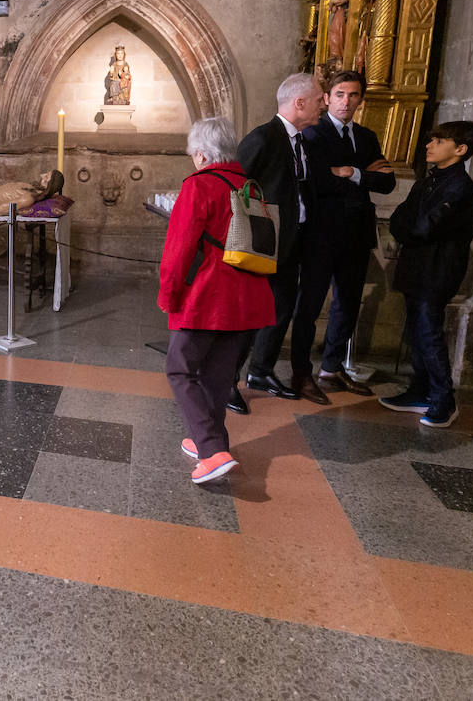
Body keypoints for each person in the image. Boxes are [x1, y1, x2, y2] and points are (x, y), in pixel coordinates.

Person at [158, 117, 274, 484]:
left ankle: (210, 452)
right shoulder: (249, 186)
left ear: (203, 153)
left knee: (180, 368)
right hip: (246, 295)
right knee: (219, 375)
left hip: (206, 295)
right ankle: (209, 439)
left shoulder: (199, 186)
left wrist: (169, 295)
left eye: (194, 153)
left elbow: (178, 250)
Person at [293, 71, 396, 396]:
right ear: (326, 98)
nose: (345, 101)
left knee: (348, 304)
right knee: (309, 306)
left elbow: (387, 182)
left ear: (360, 100)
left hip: (356, 233)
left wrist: (351, 172)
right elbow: (316, 182)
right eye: (339, 94)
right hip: (321, 234)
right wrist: (362, 175)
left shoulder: (366, 137)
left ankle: (331, 368)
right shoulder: (312, 134)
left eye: (352, 95)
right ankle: (301, 373)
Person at [379, 121, 473, 427]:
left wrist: (412, 229)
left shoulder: (460, 186)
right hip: (417, 265)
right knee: (415, 332)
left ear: (460, 150)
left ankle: (443, 400)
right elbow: (399, 220)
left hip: (438, 269)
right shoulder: (427, 181)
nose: (429, 145)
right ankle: (419, 390)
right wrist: (412, 229)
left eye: (438, 141)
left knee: (429, 332)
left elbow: (426, 226)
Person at [238, 73, 330, 407]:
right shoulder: (263, 138)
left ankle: (260, 370)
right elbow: (237, 188)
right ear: (300, 102)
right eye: (320, 99)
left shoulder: (304, 141)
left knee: (281, 310)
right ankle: (226, 380)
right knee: (250, 314)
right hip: (264, 241)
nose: (324, 104)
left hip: (294, 242)